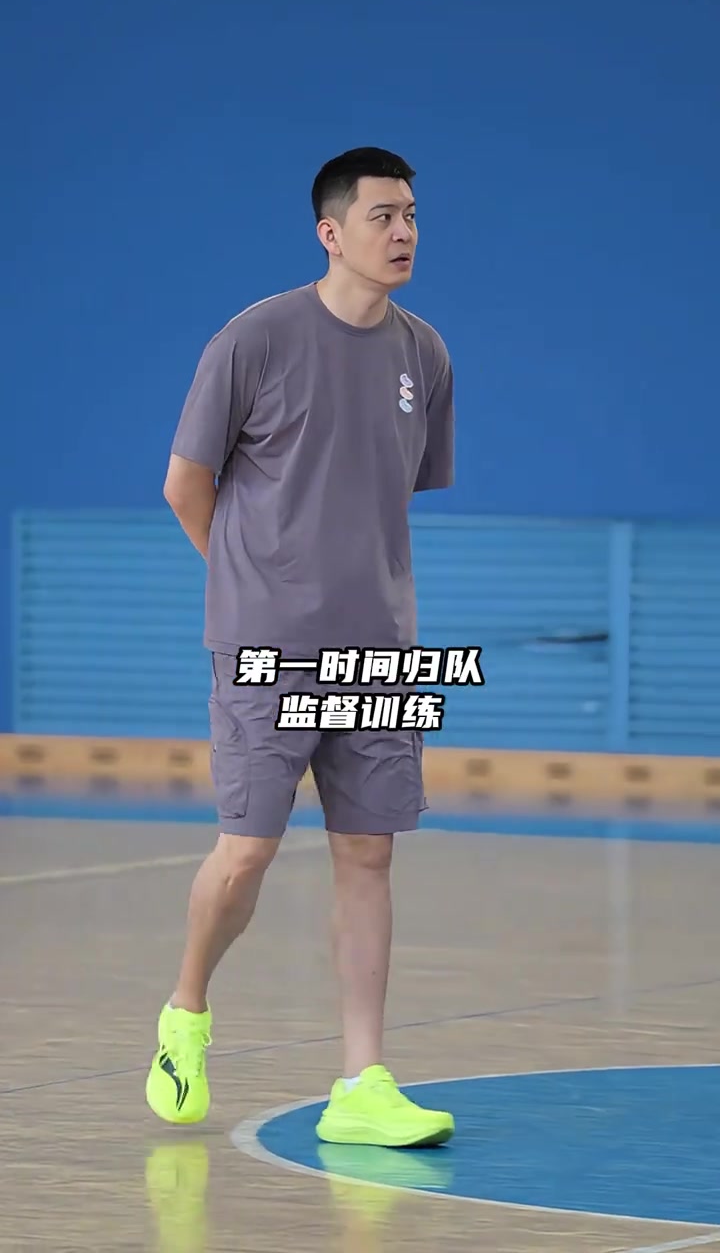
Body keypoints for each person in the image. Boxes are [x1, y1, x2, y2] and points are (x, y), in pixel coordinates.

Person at [145, 146, 456, 1148]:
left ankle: (362, 1081)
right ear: (331, 232)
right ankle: (186, 1010)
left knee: (369, 854)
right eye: (381, 216)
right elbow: (186, 486)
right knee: (247, 851)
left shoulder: (425, 356)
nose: (402, 232)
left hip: (380, 651)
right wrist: (250, 589)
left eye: (411, 215)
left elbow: (383, 495)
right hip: (264, 649)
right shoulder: (255, 338)